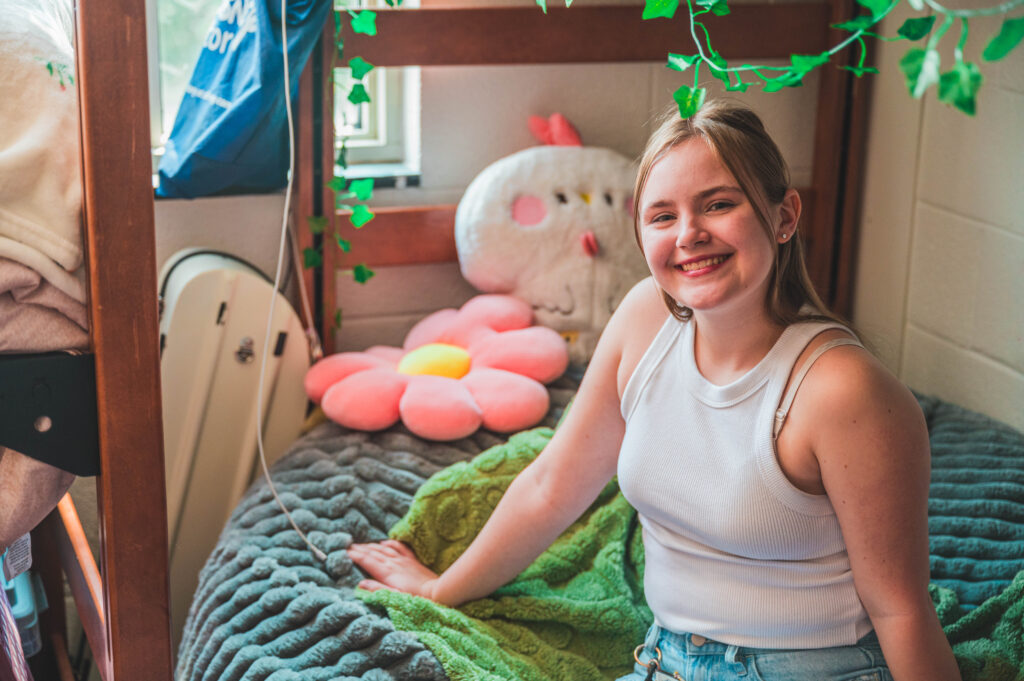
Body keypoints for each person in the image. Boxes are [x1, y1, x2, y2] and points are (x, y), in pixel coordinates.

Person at [347, 101, 961, 681]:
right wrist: (438, 589)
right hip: (663, 659)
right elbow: (550, 485)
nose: (689, 233)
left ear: (784, 217)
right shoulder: (645, 318)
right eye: (663, 216)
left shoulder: (841, 390)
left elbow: (900, 610)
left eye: (718, 204)